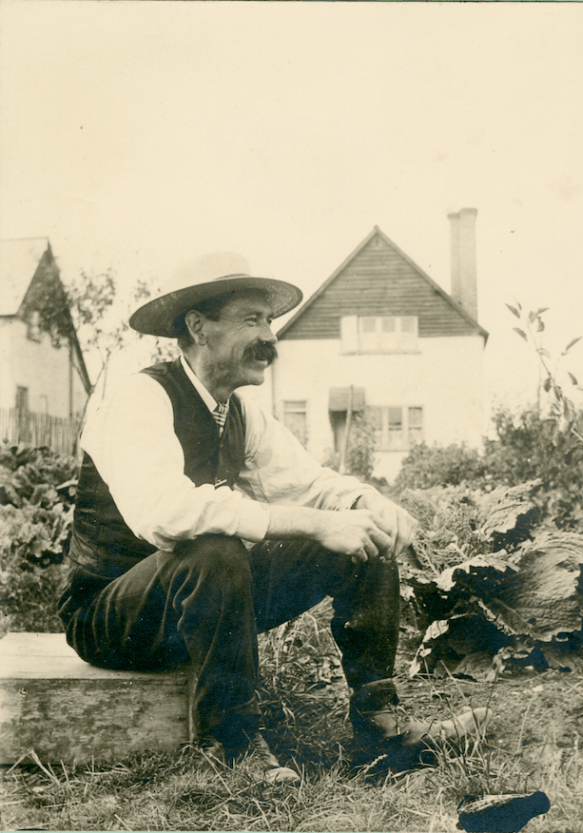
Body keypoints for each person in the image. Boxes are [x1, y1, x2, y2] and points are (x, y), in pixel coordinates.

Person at [59, 252, 489, 784]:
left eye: (269, 321)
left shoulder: (239, 412)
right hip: (111, 617)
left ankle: (381, 726)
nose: (269, 337)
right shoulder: (137, 398)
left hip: (198, 608)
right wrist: (312, 523)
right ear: (198, 327)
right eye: (251, 320)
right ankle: (233, 745)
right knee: (213, 546)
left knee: (361, 534)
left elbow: (310, 483)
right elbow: (165, 514)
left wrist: (365, 503)